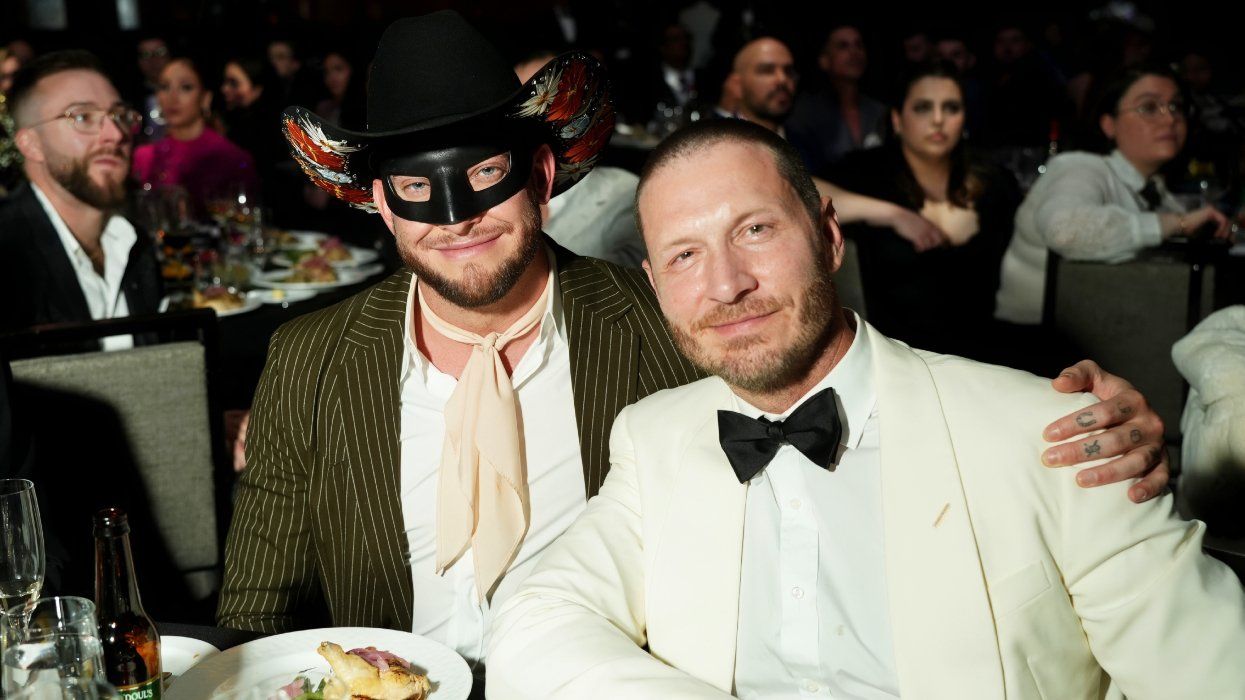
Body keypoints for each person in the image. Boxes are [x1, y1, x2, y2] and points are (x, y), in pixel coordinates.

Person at [218, 10, 1173, 672]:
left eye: (488, 176)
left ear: (544, 175)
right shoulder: (309, 359)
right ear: (378, 201)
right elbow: (251, 622)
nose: (457, 217)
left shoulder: (673, 319)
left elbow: (853, 383)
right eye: (417, 189)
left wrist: (1068, 429)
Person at [486, 118, 1245, 699]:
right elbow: (533, 620)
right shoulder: (654, 438)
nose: (724, 285)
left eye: (754, 230)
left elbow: (1207, 677)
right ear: (654, 285)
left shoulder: (1055, 434)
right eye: (684, 254)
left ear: (826, 238)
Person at [995, 65, 1231, 326]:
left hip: (1111, 336)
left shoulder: (1157, 191)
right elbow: (1065, 230)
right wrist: (1179, 223)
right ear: (1109, 125)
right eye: (1150, 107)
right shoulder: (1080, 167)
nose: (1170, 119)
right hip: (1034, 342)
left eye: (1176, 107)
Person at [831, 62, 1020, 361]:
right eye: (922, 108)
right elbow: (797, 193)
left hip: (987, 351)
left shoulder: (994, 182)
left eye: (951, 108)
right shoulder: (867, 173)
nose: (937, 120)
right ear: (897, 119)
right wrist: (893, 214)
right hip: (900, 356)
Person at [0, 50, 159, 347]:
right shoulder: (8, 257)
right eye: (83, 117)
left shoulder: (134, 244)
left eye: (120, 116)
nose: (115, 134)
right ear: (31, 144)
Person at [515, 52, 644, 267]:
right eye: (518, 104)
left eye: (544, 97)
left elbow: (629, 280)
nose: (529, 115)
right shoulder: (497, 199)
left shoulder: (622, 192)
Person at [131, 56, 258, 217]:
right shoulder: (145, 157)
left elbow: (245, 222)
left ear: (205, 98)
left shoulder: (232, 158)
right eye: (164, 87)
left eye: (185, 87)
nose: (172, 97)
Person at [785, 24, 888, 175]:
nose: (854, 52)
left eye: (858, 45)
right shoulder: (805, 113)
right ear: (824, 60)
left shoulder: (879, 110)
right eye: (843, 46)